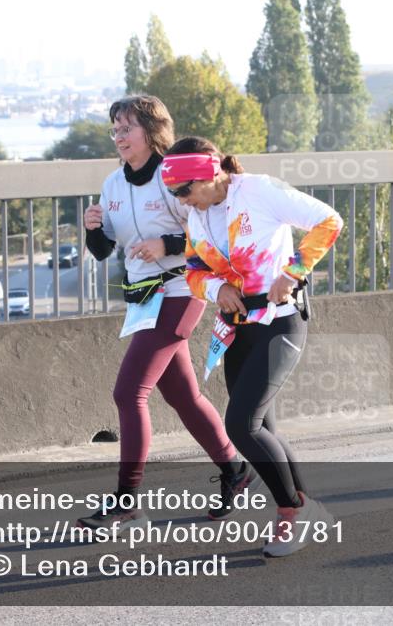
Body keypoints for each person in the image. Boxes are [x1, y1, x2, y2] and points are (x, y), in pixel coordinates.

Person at [76, 97, 259, 532]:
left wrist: (167, 246)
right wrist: (92, 230)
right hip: (141, 297)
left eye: (126, 128)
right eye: (115, 130)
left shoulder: (172, 175)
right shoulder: (112, 185)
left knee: (129, 393)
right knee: (180, 395)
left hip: (183, 287)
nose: (118, 137)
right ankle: (236, 470)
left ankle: (126, 502)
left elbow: (206, 234)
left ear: (152, 131)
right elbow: (104, 252)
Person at [161, 136, 343, 557]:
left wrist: (294, 271)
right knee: (263, 429)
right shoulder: (198, 213)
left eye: (184, 190)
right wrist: (217, 286)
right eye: (173, 193)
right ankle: (306, 507)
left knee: (241, 425)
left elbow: (329, 221)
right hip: (237, 328)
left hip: (280, 321)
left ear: (210, 173)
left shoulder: (258, 190)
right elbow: (192, 268)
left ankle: (292, 513)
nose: (181, 200)